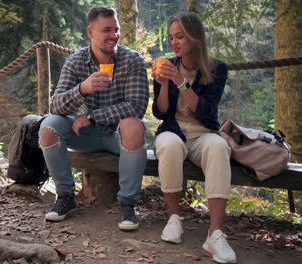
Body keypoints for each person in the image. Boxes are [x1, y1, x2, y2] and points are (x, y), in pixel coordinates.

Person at [39, 5, 149, 231]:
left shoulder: (132, 60)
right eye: (107, 30)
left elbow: (136, 106)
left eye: (116, 29)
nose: (114, 35)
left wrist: (92, 115)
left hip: (118, 137)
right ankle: (65, 197)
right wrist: (83, 88)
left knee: (133, 125)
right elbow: (56, 104)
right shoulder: (76, 61)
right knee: (49, 126)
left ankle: (128, 204)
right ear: (90, 32)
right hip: (85, 136)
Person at [151, 12, 236, 263]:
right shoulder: (166, 63)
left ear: (195, 38)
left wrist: (180, 82)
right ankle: (174, 218)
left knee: (219, 148)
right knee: (168, 145)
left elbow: (205, 111)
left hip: (203, 133)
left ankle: (215, 233)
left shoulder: (217, 69)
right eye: (171, 37)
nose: (173, 42)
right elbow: (160, 112)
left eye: (180, 37)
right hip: (173, 131)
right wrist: (164, 83)